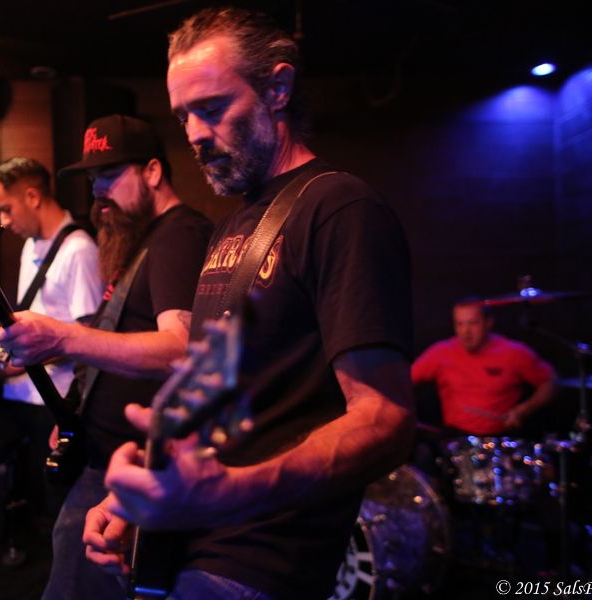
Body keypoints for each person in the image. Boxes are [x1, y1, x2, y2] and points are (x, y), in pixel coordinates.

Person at [82, 8, 415, 600]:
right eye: (183, 116)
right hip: (190, 541)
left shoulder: (339, 208)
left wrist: (234, 491)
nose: (193, 134)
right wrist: (144, 492)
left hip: (262, 559)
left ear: (278, 89)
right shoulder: (233, 225)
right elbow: (219, 396)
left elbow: (385, 419)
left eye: (211, 108)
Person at [0, 115, 213, 600]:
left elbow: (180, 349)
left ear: (153, 172)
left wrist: (64, 337)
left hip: (132, 467)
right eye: (93, 179)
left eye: (110, 175)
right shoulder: (143, 240)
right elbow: (117, 340)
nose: (98, 191)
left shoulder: (179, 235)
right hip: (105, 464)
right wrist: (73, 410)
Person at [0, 157, 103, 600]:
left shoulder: (79, 251)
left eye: (6, 208)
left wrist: (18, 361)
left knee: (49, 510)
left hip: (51, 400)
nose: (3, 220)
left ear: (32, 196)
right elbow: (25, 321)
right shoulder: (31, 245)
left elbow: (89, 338)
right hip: (13, 395)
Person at [411, 297, 556, 435]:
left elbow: (550, 382)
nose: (466, 331)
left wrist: (522, 410)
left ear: (488, 322)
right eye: (460, 324)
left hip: (501, 438)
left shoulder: (514, 353)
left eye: (473, 323)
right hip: (456, 438)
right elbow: (405, 380)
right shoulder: (440, 352)